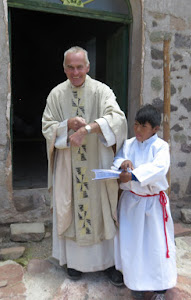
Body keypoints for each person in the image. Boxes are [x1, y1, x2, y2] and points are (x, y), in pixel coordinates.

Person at [42, 46, 127, 285]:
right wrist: (67, 124)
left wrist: (88, 128)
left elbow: (118, 119)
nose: (76, 72)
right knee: (70, 204)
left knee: (101, 207)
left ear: (88, 67)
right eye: (71, 67)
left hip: (97, 161)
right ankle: (75, 263)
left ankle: (109, 263)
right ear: (65, 68)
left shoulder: (102, 91)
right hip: (69, 164)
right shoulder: (56, 94)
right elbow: (47, 126)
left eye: (80, 67)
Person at [112, 104, 177, 299]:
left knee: (155, 246)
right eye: (136, 125)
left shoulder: (161, 147)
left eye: (144, 126)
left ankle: (160, 288)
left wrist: (133, 176)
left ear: (155, 129)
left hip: (153, 205)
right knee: (133, 245)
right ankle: (136, 283)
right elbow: (118, 159)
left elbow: (158, 168)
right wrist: (123, 164)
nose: (138, 130)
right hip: (131, 203)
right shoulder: (130, 144)